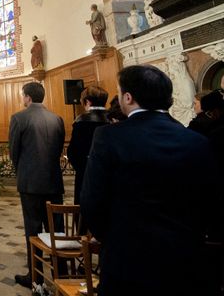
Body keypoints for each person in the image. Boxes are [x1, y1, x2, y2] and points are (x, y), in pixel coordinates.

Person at [81, 65, 217, 296]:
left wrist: (115, 238)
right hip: (185, 259)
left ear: (128, 97)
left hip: (127, 259)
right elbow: (211, 201)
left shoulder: (109, 137)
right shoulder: (196, 141)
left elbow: (92, 201)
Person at [9, 82, 65, 289]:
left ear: (27, 97)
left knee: (32, 230)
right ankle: (61, 273)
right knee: (56, 230)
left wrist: (21, 171)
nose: (22, 99)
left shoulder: (19, 118)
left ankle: (35, 276)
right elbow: (58, 149)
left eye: (22, 96)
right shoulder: (57, 119)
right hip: (53, 181)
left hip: (30, 183)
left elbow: (13, 151)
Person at [66, 85, 109, 205]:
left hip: (87, 175)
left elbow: (73, 152)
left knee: (85, 213)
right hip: (111, 176)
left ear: (87, 102)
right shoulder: (114, 118)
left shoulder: (81, 121)